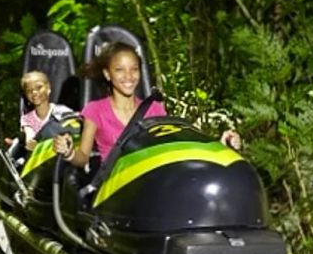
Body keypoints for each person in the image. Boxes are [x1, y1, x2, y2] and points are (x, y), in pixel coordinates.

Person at [53, 41, 241, 167]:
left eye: (134, 70)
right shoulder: (95, 110)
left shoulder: (155, 108)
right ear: (107, 74)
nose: (129, 76)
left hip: (152, 181)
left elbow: (174, 147)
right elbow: (83, 156)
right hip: (116, 187)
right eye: (120, 70)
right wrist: (69, 152)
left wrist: (218, 145)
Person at [18, 71, 75, 151]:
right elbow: (29, 134)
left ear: (48, 88)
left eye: (39, 87)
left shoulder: (62, 111)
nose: (34, 92)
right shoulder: (27, 119)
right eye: (29, 90)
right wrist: (31, 142)